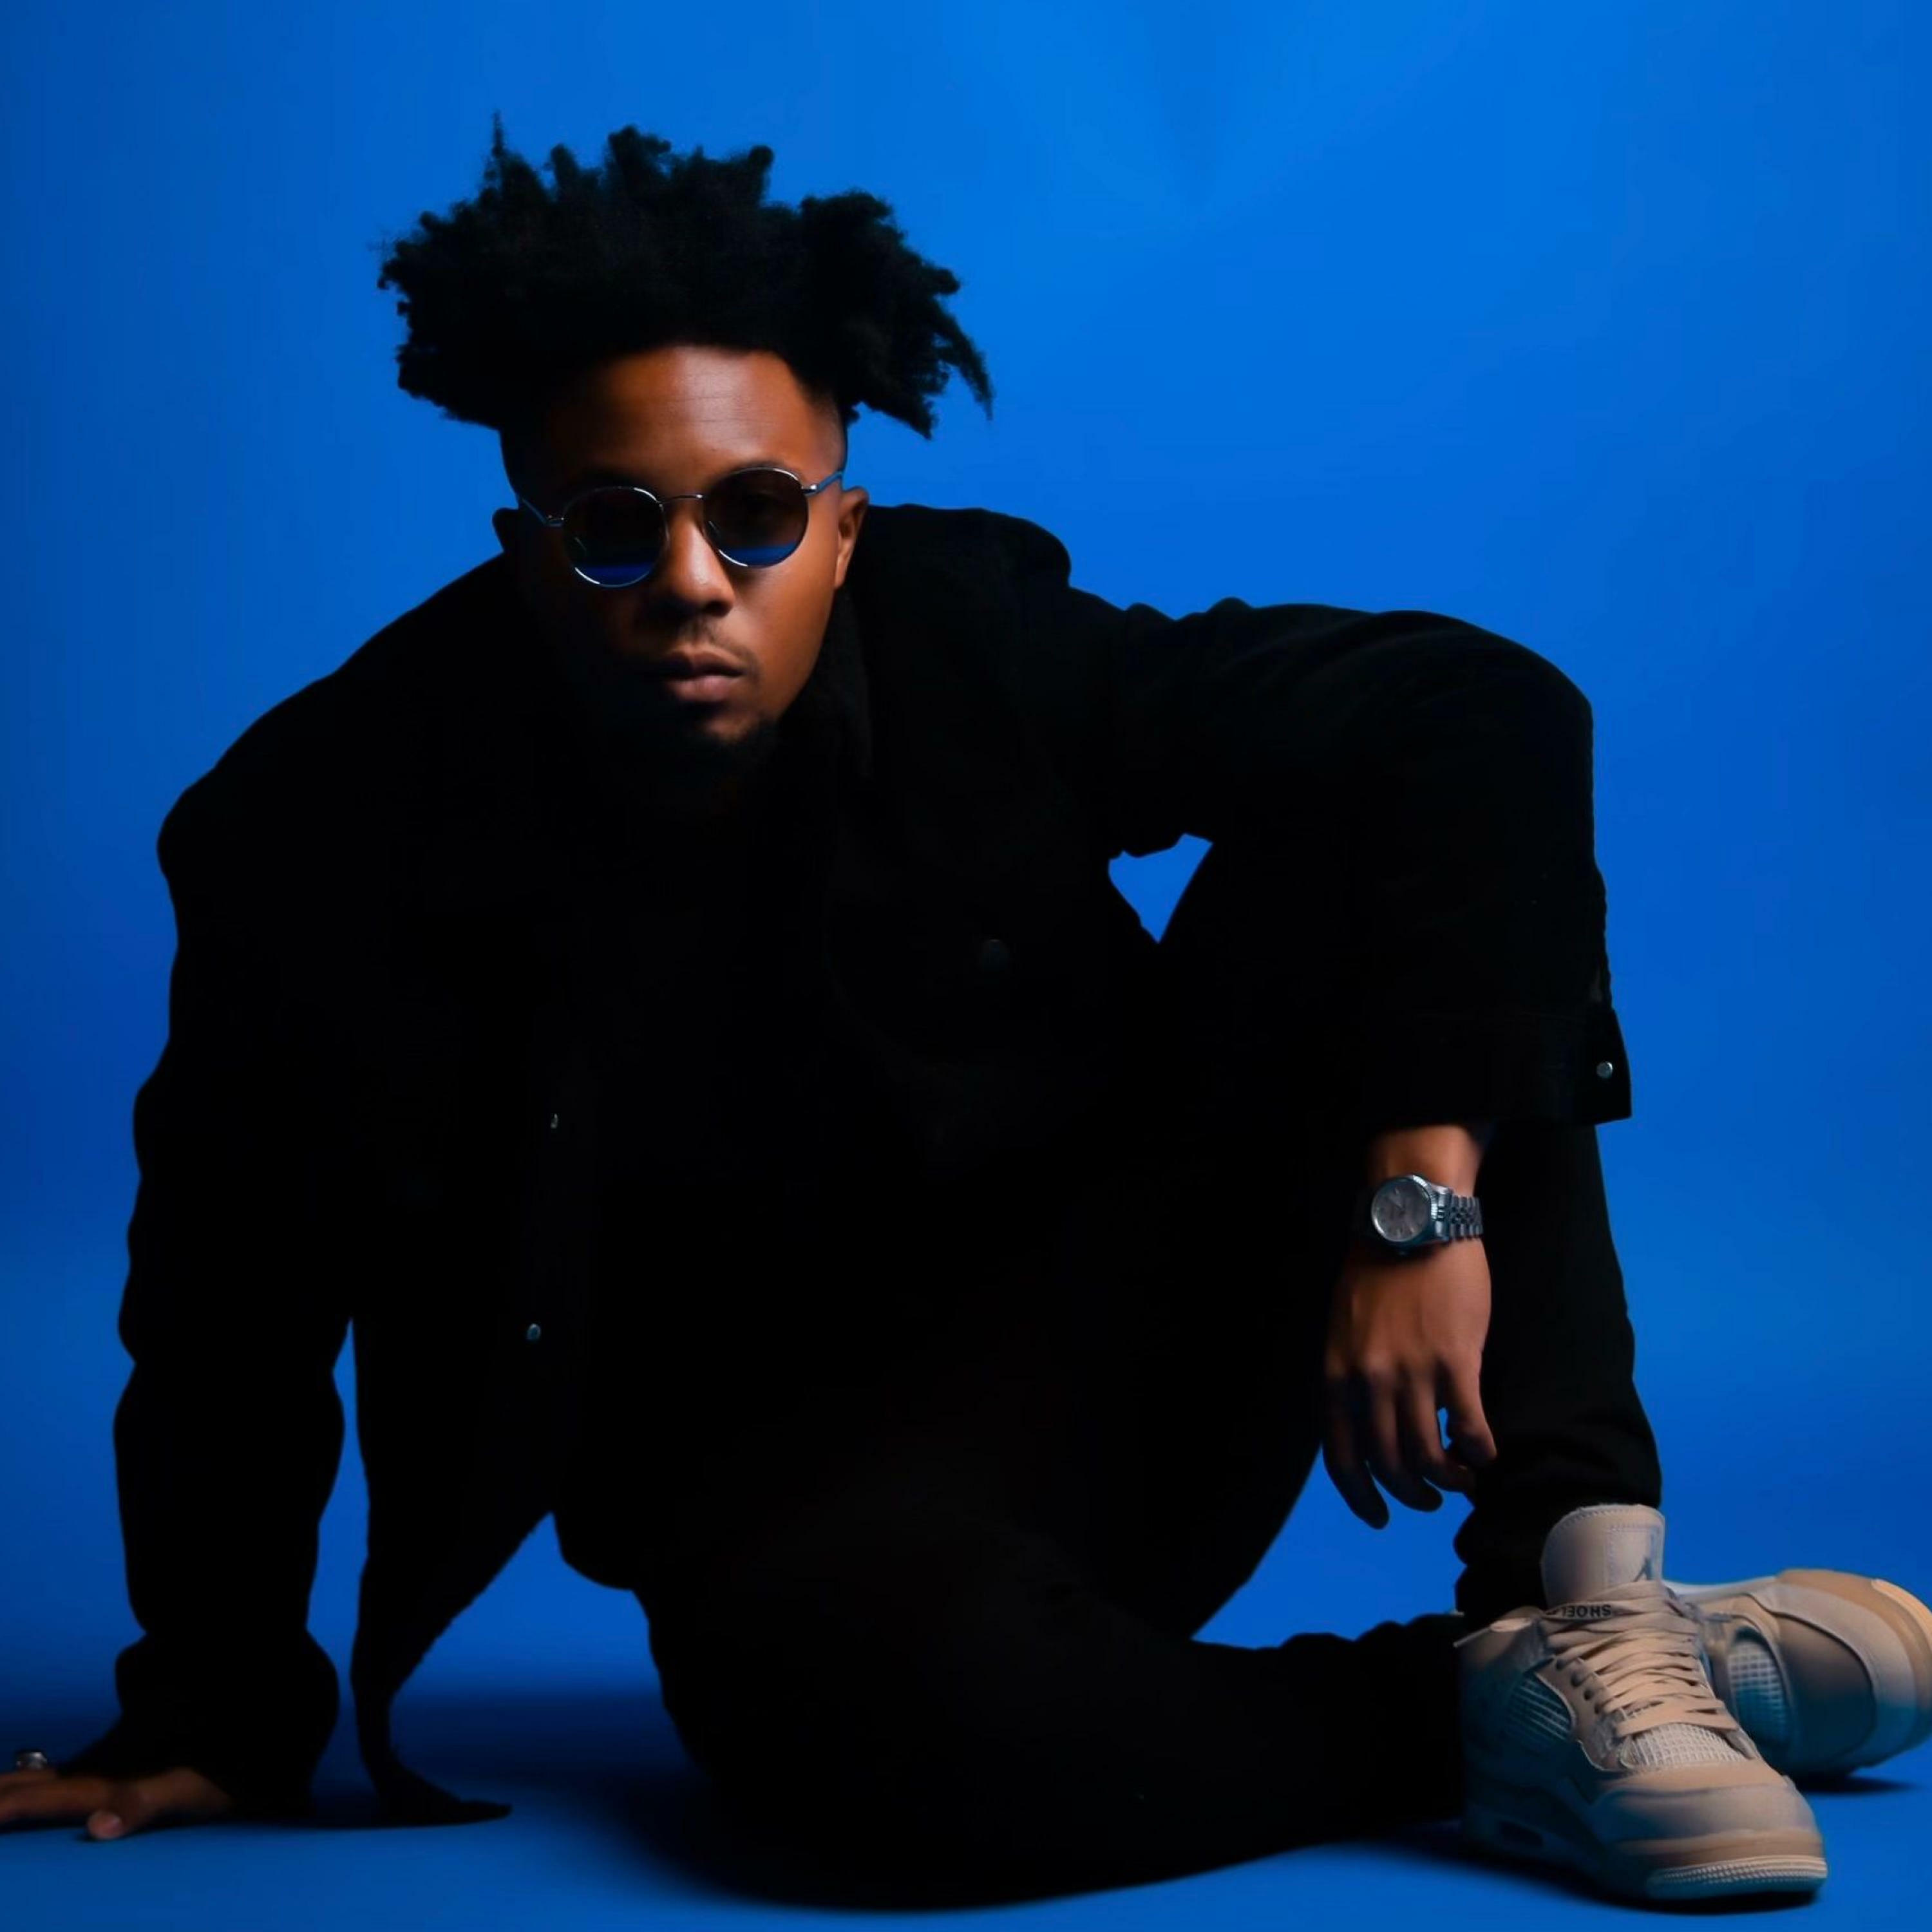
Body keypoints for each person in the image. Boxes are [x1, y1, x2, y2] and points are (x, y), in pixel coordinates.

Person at [8, 120, 1928, 1907]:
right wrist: (215, 1707)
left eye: (756, 514)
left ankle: (1579, 1595)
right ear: (527, 550)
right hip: (798, 1531)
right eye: (614, 526)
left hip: (1144, 1348)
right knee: (844, 1766)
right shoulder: (316, 831)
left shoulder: (969, 637)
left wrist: (1415, 1197)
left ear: (844, 529)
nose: (692, 583)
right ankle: (1512, 1698)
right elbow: (226, 1302)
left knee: (1413, 817)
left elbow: (1482, 713)